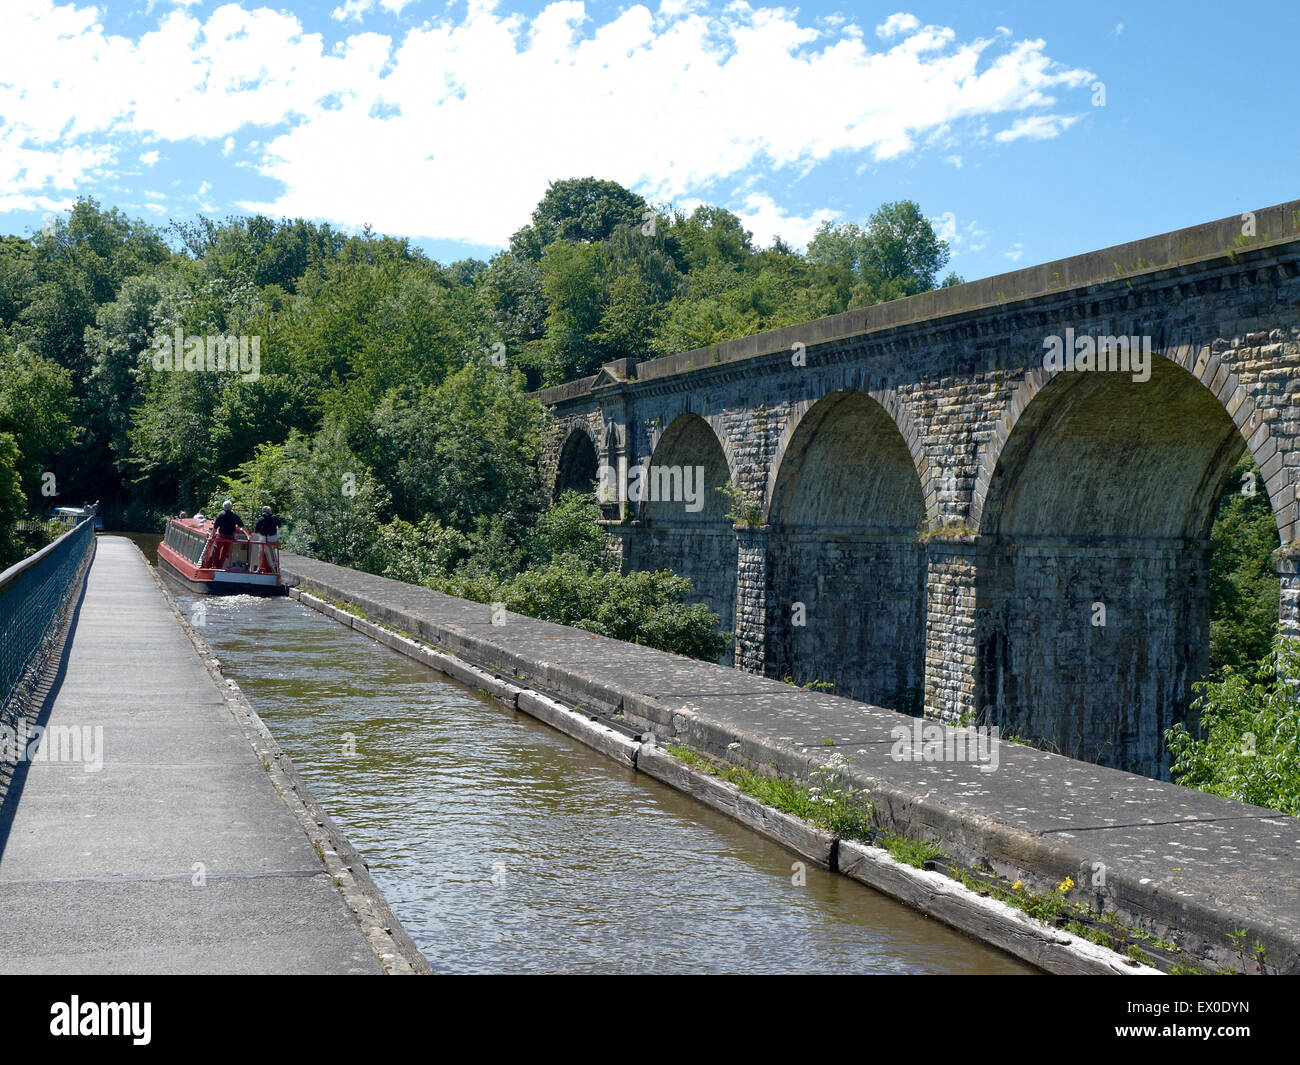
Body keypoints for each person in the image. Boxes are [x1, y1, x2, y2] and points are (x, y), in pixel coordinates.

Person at [209, 500, 244, 568]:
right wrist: (248, 535)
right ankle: (220, 566)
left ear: (223, 507)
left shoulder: (220, 515)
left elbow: (215, 528)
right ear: (231, 507)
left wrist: (212, 536)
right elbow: (242, 526)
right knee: (224, 553)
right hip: (230, 537)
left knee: (217, 551)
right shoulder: (235, 516)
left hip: (221, 536)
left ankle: (215, 566)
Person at [252, 506, 281, 573]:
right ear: (270, 511)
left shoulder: (261, 519)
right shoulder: (274, 517)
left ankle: (259, 568)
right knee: (272, 552)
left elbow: (256, 531)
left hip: (263, 538)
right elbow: (279, 526)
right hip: (273, 537)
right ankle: (275, 567)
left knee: (261, 552)